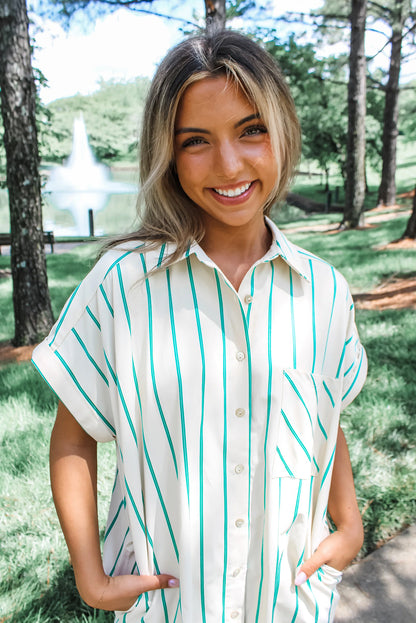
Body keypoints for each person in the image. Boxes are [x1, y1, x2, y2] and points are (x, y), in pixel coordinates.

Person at [32, 30, 367, 623]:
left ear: (281, 130)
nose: (229, 164)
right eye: (196, 141)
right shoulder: (122, 285)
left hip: (290, 602)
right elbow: (74, 435)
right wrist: (90, 578)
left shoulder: (324, 289)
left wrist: (350, 523)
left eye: (251, 129)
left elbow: (326, 410)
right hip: (169, 606)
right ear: (167, 153)